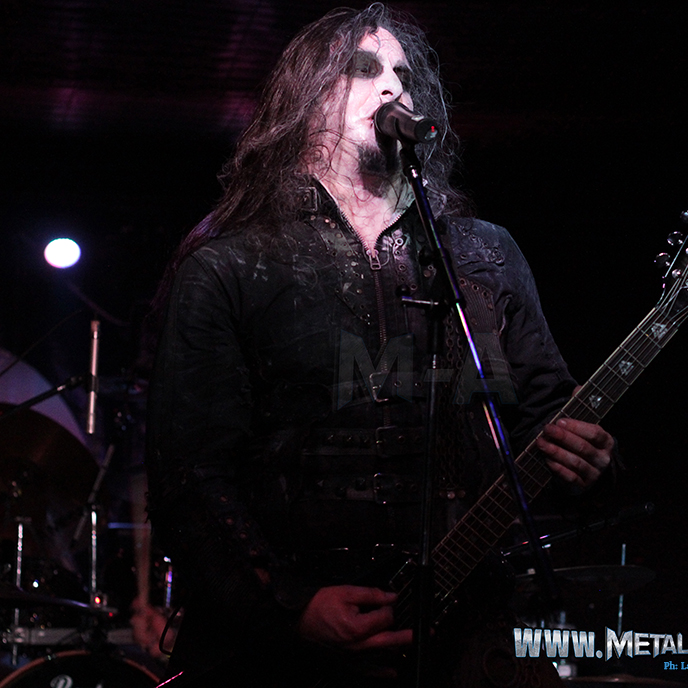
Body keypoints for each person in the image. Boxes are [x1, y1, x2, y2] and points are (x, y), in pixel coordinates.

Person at [146, 4, 615, 686]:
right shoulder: (230, 263)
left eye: (403, 73)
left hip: (471, 638)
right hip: (288, 655)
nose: (394, 85)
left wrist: (587, 457)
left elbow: (544, 421)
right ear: (307, 98)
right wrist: (288, 605)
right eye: (364, 69)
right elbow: (189, 477)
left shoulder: (485, 255)